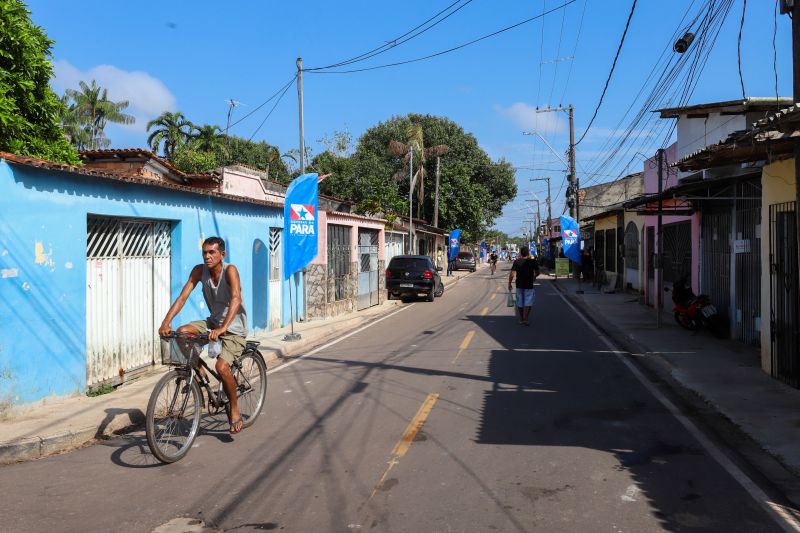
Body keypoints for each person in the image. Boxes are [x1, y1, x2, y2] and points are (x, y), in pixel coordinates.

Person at [159, 237, 249, 434]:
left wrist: (224, 327)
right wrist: (166, 322)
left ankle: (234, 410)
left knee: (222, 366)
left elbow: (236, 298)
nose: (207, 256)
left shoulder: (230, 271)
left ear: (222, 255)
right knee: (182, 332)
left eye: (212, 253)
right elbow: (182, 297)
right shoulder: (199, 271)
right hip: (213, 322)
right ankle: (199, 371)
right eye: (204, 253)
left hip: (234, 328)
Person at [508, 246, 540, 326]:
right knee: (528, 302)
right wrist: (534, 277)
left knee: (520, 302)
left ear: (520, 253)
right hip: (529, 285)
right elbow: (538, 272)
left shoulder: (517, 262)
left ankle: (522, 318)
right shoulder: (533, 262)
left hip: (519, 285)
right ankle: (526, 319)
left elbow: (512, 274)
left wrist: (509, 283)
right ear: (528, 253)